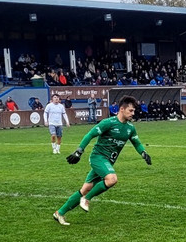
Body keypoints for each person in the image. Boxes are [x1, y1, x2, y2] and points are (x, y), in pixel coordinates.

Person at [52, 95, 151, 225]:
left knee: (85, 188)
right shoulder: (108, 123)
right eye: (130, 110)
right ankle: (86, 199)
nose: (133, 113)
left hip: (107, 162)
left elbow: (136, 143)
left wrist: (143, 153)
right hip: (98, 158)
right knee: (112, 179)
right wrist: (79, 151)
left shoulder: (130, 128)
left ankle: (59, 213)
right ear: (122, 109)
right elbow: (90, 134)